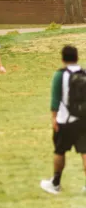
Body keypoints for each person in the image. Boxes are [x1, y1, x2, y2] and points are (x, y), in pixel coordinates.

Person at [40, 45, 86, 194]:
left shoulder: (60, 75)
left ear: (62, 58)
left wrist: (54, 119)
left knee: (60, 151)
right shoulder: (84, 73)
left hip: (65, 120)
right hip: (83, 119)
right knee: (84, 152)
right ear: (77, 57)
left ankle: (55, 183)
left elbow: (55, 101)